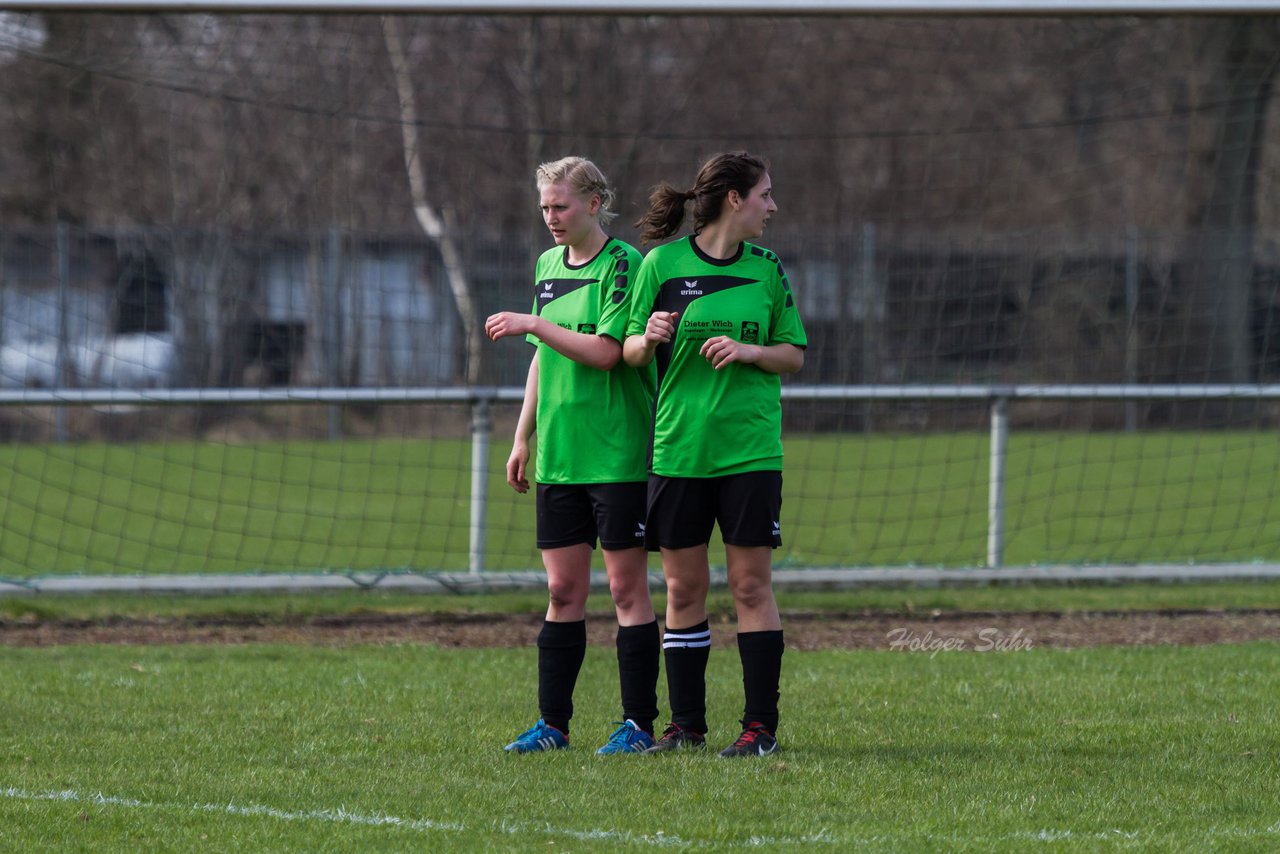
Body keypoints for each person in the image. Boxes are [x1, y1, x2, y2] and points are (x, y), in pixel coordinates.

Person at [622, 152, 806, 758]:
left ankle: (759, 730)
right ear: (735, 198)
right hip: (678, 450)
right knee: (683, 590)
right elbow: (628, 350)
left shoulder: (767, 268)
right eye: (766, 195)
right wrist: (646, 339)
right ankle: (686, 726)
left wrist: (752, 353)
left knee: (751, 588)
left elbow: (793, 354)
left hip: (750, 452)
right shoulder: (661, 264)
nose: (772, 207)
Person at [485, 156, 661, 755]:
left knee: (625, 592)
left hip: (614, 454)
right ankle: (552, 726)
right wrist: (521, 436)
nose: (551, 218)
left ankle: (638, 725)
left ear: (593, 203)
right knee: (563, 593)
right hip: (559, 456)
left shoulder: (623, 265)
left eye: (560, 206)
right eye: (544, 207)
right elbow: (542, 356)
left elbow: (607, 351)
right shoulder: (546, 265)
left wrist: (533, 321)